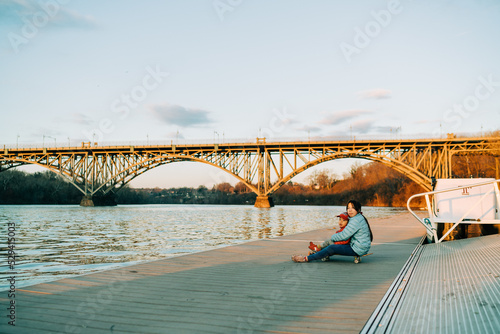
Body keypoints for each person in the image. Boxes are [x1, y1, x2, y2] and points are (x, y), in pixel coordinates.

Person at [292, 200, 372, 263]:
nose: (350, 210)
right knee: (332, 245)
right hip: (359, 246)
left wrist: (333, 237)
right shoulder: (358, 217)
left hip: (358, 249)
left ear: (358, 209)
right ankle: (318, 253)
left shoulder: (356, 220)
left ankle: (306, 259)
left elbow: (344, 235)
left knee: (332, 247)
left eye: (352, 208)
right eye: (348, 208)